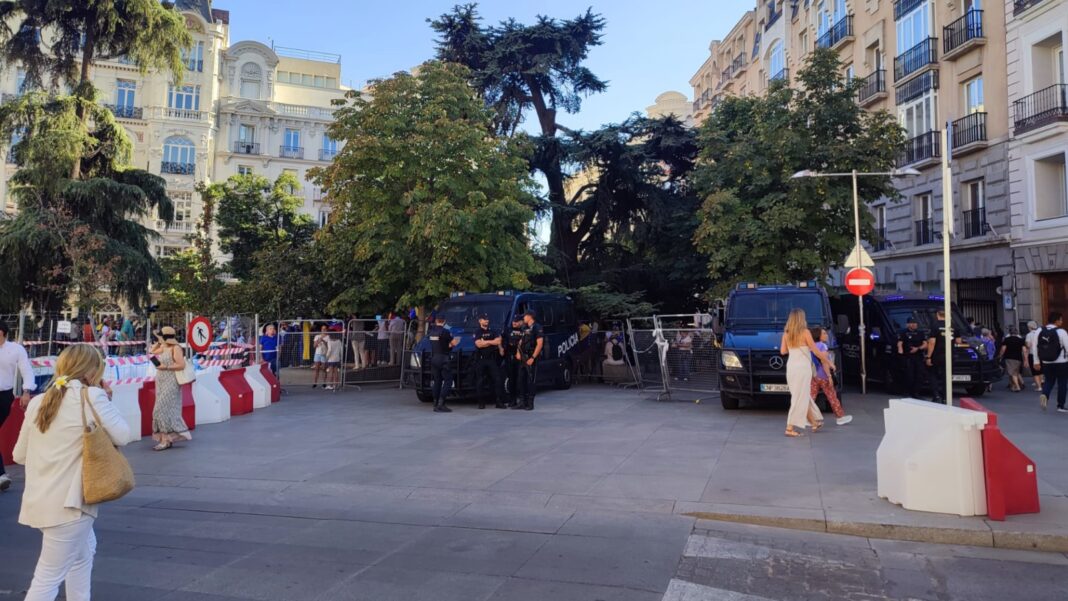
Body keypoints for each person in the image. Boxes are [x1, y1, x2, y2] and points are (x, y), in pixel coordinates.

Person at [14, 343, 132, 601]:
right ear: (92, 372)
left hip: (42, 502)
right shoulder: (92, 397)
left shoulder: (37, 402)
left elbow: (18, 455)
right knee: (47, 578)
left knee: (84, 553)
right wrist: (106, 398)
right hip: (71, 504)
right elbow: (124, 435)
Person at [779, 309, 832, 437]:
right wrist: (829, 362)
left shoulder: (786, 334)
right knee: (799, 397)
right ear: (801, 319)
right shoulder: (805, 332)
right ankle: (789, 428)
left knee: (801, 396)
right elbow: (816, 351)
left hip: (791, 367)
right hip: (803, 368)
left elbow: (783, 352)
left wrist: (795, 347)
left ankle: (814, 422)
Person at [0, 321, 37, 492]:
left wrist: (27, 391)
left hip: (4, 396)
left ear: (2, 332)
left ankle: (1, 475)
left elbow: (26, 370)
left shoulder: (15, 349)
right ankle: (1, 475)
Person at [149, 326, 191, 451]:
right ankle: (165, 439)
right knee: (160, 410)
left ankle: (166, 440)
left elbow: (181, 365)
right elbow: (152, 351)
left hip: (171, 381)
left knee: (161, 409)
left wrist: (165, 367)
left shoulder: (175, 348)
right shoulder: (163, 347)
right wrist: (158, 340)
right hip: (161, 381)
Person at [810, 327, 851, 426]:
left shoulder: (811, 346)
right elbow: (824, 362)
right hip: (823, 376)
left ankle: (808, 418)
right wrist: (829, 376)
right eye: (824, 333)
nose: (826, 335)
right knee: (832, 397)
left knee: (810, 398)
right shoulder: (823, 346)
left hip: (814, 375)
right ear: (818, 335)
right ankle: (840, 417)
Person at [1034, 311, 1068, 412]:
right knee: (1062, 382)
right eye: (1061, 320)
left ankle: (1045, 394)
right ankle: (1060, 406)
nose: (1062, 322)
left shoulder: (1039, 330)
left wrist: (1036, 361)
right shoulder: (1061, 332)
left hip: (1046, 362)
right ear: (1057, 321)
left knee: (1049, 381)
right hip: (1062, 361)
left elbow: (1035, 347)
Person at [472, 314, 506, 410]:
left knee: (497, 379)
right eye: (484, 319)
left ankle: (499, 401)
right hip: (481, 359)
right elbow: (478, 344)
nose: (486, 321)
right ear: (480, 321)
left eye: (487, 319)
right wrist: (492, 341)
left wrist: (486, 342)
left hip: (492, 359)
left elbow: (498, 341)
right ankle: (481, 403)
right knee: (480, 381)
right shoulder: (477, 331)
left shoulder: (493, 330)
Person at [427, 313, 458, 413]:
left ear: (436, 321)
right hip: (443, 358)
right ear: (444, 321)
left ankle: (435, 403)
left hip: (434, 358)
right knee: (448, 380)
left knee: (437, 381)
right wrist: (455, 342)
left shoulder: (431, 332)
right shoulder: (445, 331)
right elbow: (453, 343)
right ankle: (441, 403)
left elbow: (437, 344)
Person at [514, 311, 544, 411]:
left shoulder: (537, 327)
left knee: (530, 381)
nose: (524, 318)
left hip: (531, 356)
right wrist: (518, 352)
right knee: (520, 380)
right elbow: (520, 341)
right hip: (523, 356)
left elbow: (539, 344)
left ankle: (530, 403)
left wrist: (533, 358)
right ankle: (522, 402)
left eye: (525, 316)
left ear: (530, 316)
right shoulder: (524, 327)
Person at [896, 316, 927, 398]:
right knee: (909, 375)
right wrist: (901, 355)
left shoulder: (920, 333)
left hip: (918, 357)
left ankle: (916, 392)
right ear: (908, 324)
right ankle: (906, 392)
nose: (914, 325)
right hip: (908, 357)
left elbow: (925, 344)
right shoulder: (903, 333)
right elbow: (900, 344)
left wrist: (918, 348)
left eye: (915, 323)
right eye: (912, 323)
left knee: (919, 375)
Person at [502, 316, 525, 407]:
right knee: (512, 379)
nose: (514, 323)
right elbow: (502, 340)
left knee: (520, 379)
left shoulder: (524, 330)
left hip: (521, 357)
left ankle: (522, 400)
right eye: (513, 321)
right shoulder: (508, 330)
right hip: (510, 357)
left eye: (516, 321)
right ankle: (512, 400)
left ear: (520, 322)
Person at [998, 326, 1026, 393]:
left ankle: (1017, 386)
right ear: (1016, 332)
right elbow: (1024, 350)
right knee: (1016, 372)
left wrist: (1000, 356)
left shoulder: (1007, 339)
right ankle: (1015, 385)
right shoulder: (1021, 340)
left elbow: (1003, 349)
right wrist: (1025, 359)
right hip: (1018, 358)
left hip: (1009, 358)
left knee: (1012, 373)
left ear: (1010, 332)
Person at [1025, 320, 1043, 392]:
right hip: (1041, 354)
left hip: (1032, 354)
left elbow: (1028, 345)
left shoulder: (1029, 335)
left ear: (1029, 327)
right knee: (1041, 370)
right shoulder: (1041, 333)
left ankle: (1039, 387)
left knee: (1035, 371)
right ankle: (1041, 381)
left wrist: (1026, 344)